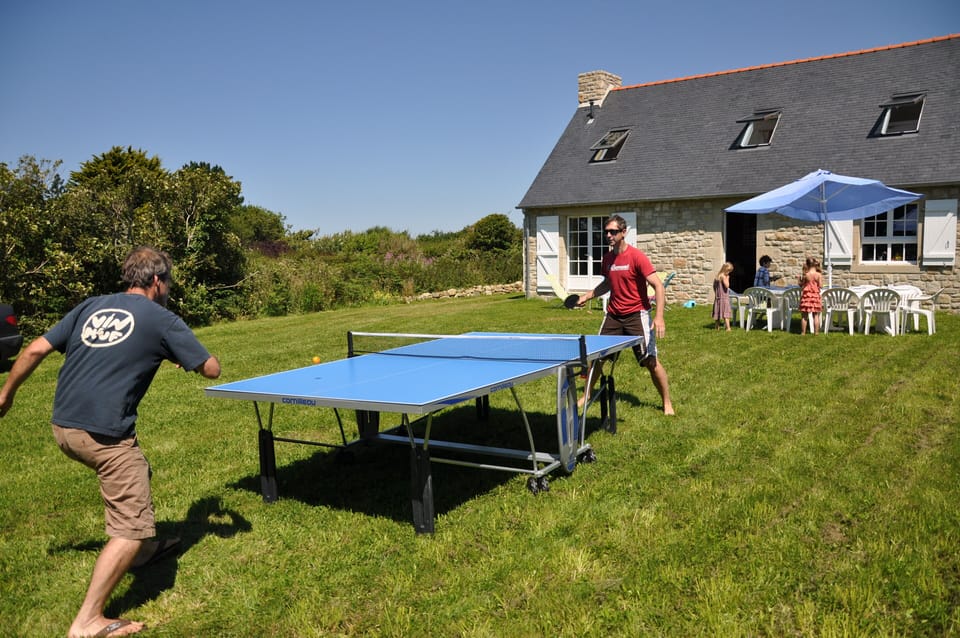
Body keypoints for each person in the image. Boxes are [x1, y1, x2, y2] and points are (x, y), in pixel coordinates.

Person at [0, 247, 221, 638]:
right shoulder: (163, 318)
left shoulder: (91, 306)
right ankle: (88, 620)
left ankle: (146, 551)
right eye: (168, 282)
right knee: (130, 526)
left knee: (137, 471)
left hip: (64, 429)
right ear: (157, 281)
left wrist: (5, 395)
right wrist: (186, 352)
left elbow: (35, 348)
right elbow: (211, 369)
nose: (169, 288)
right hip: (103, 435)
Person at [576, 215, 674, 415]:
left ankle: (667, 403)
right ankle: (586, 395)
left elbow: (657, 285)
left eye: (613, 231)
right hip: (613, 315)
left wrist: (659, 317)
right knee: (597, 357)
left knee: (650, 361)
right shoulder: (607, 258)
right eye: (606, 232)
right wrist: (587, 296)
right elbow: (607, 283)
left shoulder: (637, 257)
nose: (608, 235)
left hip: (637, 315)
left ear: (623, 232)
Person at [798, 256, 824, 335]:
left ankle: (803, 332)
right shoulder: (818, 274)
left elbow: (801, 285)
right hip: (815, 297)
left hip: (806, 297)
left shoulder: (806, 274)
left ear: (807, 264)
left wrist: (799, 280)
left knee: (804, 316)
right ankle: (816, 332)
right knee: (815, 315)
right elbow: (821, 286)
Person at [712, 262, 734, 331]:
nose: (729, 273)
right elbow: (727, 286)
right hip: (724, 298)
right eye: (728, 271)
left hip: (718, 297)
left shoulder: (717, 276)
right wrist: (727, 278)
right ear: (724, 269)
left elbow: (714, 286)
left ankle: (717, 327)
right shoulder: (724, 276)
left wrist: (716, 293)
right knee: (726, 313)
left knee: (717, 313)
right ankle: (728, 328)